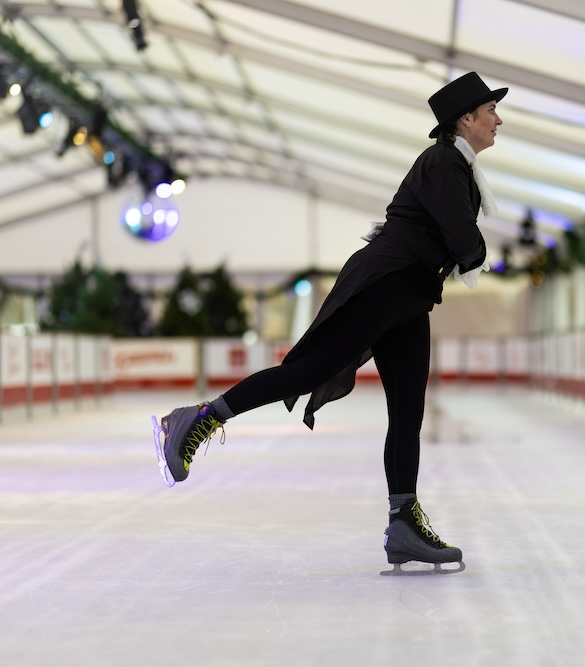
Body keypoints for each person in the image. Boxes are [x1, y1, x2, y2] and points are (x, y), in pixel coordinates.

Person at [152, 72, 507, 576]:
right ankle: (197, 419)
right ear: (466, 118)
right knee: (306, 371)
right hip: (386, 283)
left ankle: (403, 523)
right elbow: (461, 235)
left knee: (408, 410)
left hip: (410, 293)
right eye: (491, 111)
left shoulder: (457, 167)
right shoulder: (443, 161)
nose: (498, 120)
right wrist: (478, 252)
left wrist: (468, 251)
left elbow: (456, 237)